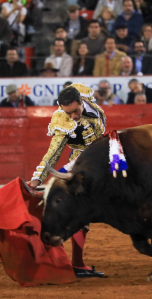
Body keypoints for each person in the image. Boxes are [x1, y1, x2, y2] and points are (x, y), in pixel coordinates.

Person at [28, 83, 105, 278]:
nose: (73, 116)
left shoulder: (84, 91)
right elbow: (52, 154)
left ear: (82, 101)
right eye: (68, 112)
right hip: (79, 167)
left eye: (76, 111)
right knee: (81, 213)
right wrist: (37, 180)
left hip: (103, 158)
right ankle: (76, 263)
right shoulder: (61, 120)